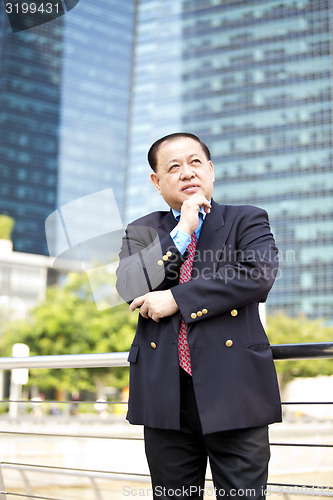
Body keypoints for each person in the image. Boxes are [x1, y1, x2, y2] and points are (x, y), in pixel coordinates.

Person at [116, 132, 281, 499]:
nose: (187, 172)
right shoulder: (142, 230)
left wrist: (175, 298)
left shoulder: (246, 220)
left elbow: (257, 275)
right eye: (173, 167)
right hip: (164, 394)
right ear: (157, 183)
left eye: (194, 162)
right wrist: (182, 231)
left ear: (210, 169)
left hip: (235, 390)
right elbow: (129, 285)